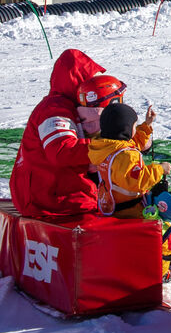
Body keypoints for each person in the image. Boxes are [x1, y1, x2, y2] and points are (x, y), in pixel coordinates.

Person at [11, 49, 112, 218]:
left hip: (53, 191)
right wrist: (106, 147)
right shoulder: (54, 109)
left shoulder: (69, 106)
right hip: (49, 198)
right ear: (76, 81)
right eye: (89, 78)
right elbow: (61, 151)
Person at [88, 103, 170, 219]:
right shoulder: (125, 156)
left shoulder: (106, 147)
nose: (135, 129)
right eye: (134, 126)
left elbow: (133, 143)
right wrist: (160, 169)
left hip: (113, 205)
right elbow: (138, 182)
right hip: (130, 212)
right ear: (125, 128)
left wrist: (147, 125)